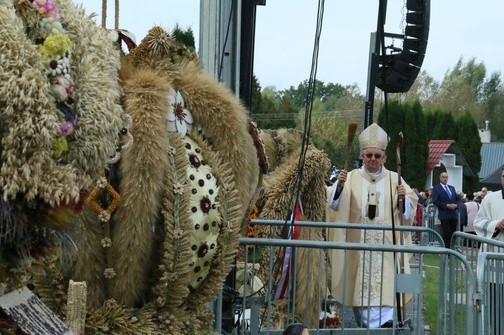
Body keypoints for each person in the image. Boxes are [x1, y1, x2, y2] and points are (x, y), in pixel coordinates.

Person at [326, 123, 418, 329]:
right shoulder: (350, 177)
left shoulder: (396, 179)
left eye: (377, 156)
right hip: (359, 249)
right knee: (361, 297)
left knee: (385, 294)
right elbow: (333, 205)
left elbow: (408, 210)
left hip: (386, 250)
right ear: (362, 156)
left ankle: (382, 326)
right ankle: (372, 326)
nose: (373, 160)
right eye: (369, 156)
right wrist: (339, 188)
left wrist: (403, 200)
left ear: (385, 157)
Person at [474, 167, 504, 334]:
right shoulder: (491, 199)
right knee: (495, 306)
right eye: (503, 176)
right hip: (495, 266)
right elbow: (479, 222)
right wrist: (496, 225)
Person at [432, 172, 459, 248]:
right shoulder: (436, 188)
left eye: (446, 177)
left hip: (453, 215)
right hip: (444, 214)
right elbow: (435, 201)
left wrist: (456, 205)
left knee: (453, 234)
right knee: (446, 233)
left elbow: (457, 200)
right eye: (443, 177)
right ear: (440, 178)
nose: (445, 179)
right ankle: (445, 250)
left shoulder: (452, 188)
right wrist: (446, 205)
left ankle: (451, 250)